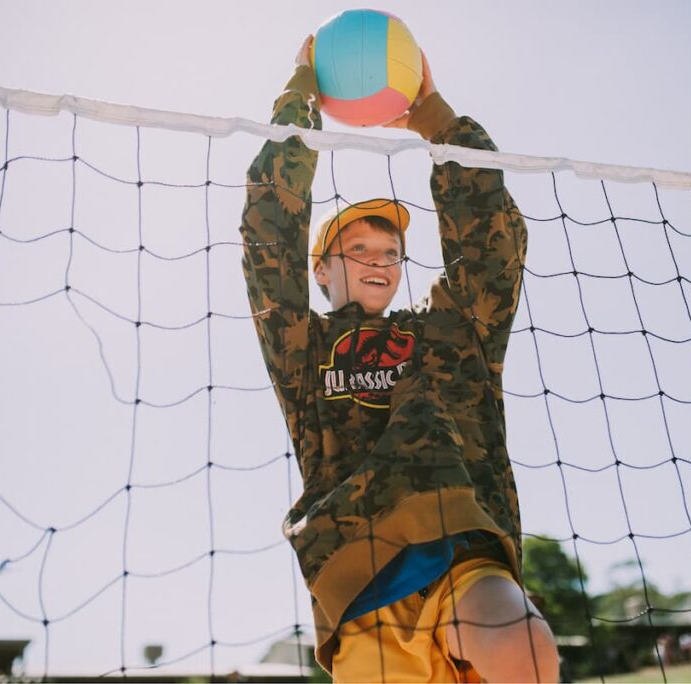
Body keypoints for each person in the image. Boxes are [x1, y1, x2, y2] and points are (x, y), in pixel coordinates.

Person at [239, 35, 558, 682]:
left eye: (390, 252)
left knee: (522, 645)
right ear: (322, 273)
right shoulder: (304, 351)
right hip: (360, 582)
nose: (381, 260)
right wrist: (301, 95)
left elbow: (494, 242)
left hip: (462, 545)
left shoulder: (449, 333)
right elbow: (269, 225)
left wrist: (434, 116)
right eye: (358, 249)